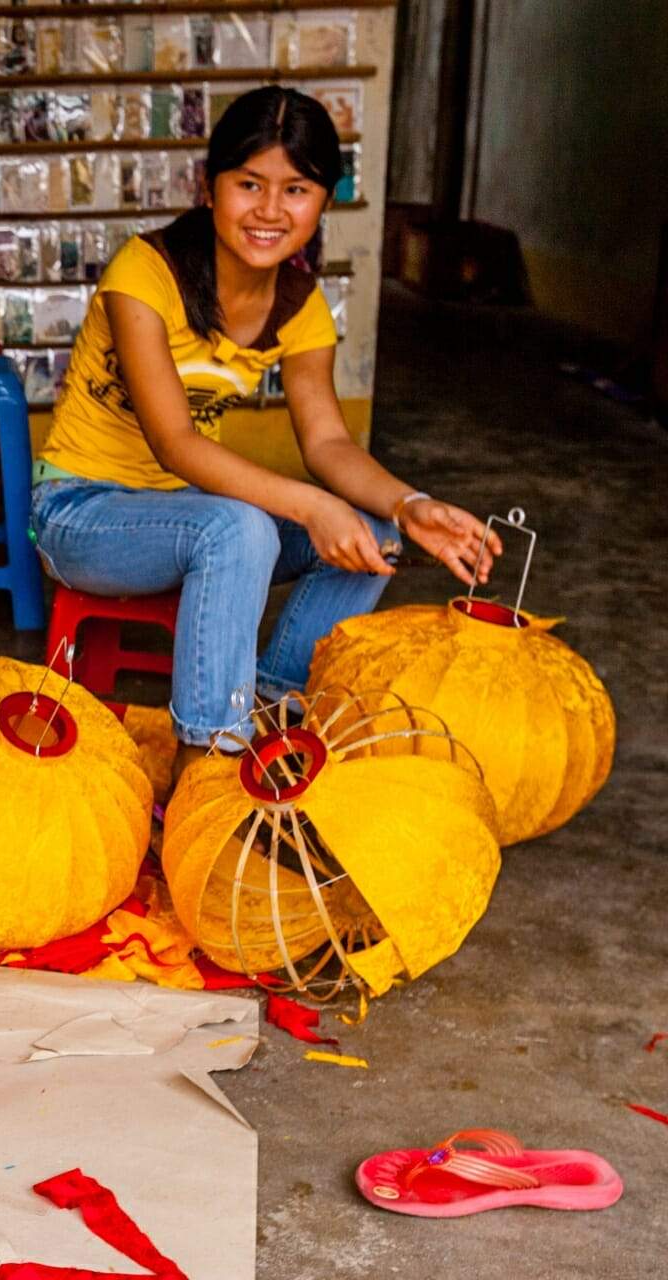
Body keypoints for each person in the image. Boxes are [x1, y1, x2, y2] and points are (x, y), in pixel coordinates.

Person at [31, 86, 501, 776]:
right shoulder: (145, 273)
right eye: (249, 184)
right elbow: (176, 444)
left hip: (188, 517)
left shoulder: (301, 308)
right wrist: (311, 505)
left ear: (324, 200)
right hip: (81, 514)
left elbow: (329, 444)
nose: (270, 211)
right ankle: (208, 765)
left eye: (297, 189)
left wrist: (409, 504)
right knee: (239, 528)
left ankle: (274, 707)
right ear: (210, 185)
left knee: (374, 536)